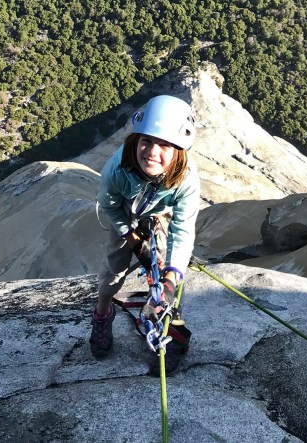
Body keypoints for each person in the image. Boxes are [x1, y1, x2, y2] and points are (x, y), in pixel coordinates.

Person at [90, 95, 200, 374]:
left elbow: (183, 229)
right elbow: (109, 207)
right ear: (135, 141)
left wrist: (173, 275)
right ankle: (102, 314)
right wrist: (130, 237)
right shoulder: (117, 169)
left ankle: (169, 325)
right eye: (147, 141)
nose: (152, 151)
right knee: (114, 269)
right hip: (125, 214)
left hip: (159, 214)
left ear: (178, 151)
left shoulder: (186, 180)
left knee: (167, 276)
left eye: (164, 144)